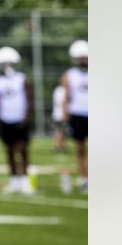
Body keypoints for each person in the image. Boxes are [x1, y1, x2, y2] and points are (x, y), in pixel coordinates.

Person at [0, 46, 33, 194]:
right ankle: (14, 180)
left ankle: (25, 180)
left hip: (20, 119)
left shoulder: (22, 79)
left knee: (23, 150)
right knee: (9, 151)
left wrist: (25, 117)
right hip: (5, 119)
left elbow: (28, 99)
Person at [61, 39, 88, 193]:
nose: (83, 61)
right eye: (80, 58)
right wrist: (65, 118)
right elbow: (66, 98)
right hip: (77, 114)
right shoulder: (69, 75)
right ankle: (85, 178)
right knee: (80, 148)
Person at [51, 82, 68, 154]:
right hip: (60, 114)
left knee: (60, 130)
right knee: (60, 130)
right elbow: (62, 102)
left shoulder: (57, 90)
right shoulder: (61, 90)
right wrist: (65, 114)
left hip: (57, 114)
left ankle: (60, 145)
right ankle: (58, 146)